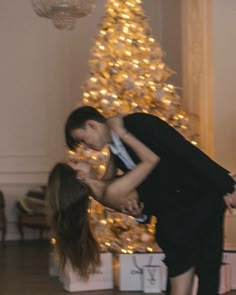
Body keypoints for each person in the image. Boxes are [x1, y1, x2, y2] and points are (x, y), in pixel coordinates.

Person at [65, 105, 235, 295]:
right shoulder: (116, 154)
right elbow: (151, 187)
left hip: (202, 198)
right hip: (177, 217)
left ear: (92, 125)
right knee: (185, 273)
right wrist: (141, 214)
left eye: (83, 139)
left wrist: (227, 185)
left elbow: (185, 151)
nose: (86, 147)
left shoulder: (139, 124)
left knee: (208, 270)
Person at [46, 117, 159, 280]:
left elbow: (113, 153)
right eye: (76, 161)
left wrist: (107, 133)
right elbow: (151, 160)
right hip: (181, 210)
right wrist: (121, 132)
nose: (82, 157)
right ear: (80, 176)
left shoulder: (102, 186)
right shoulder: (109, 191)